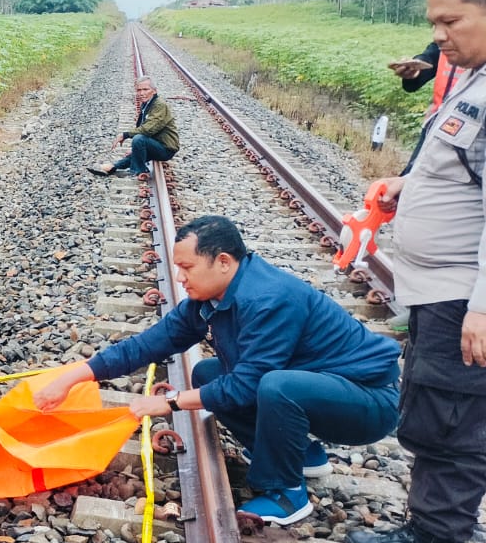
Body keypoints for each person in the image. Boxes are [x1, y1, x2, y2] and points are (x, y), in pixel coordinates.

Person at [35, 216, 400, 526]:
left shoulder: (267, 299)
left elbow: (249, 385)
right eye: (178, 268)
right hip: (321, 392)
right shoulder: (208, 299)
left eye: (187, 267)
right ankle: (304, 456)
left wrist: (170, 403)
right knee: (209, 373)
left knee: (274, 385)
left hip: (368, 402)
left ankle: (287, 494)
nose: (180, 277)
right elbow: (146, 345)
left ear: (223, 262)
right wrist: (72, 377)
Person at [350, 0, 486, 543]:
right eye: (434, 22)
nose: (439, 37)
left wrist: (482, 309)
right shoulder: (472, 78)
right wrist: (408, 183)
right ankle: (422, 531)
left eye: (450, 21)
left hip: (464, 294)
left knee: (455, 426)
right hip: (437, 289)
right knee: (430, 413)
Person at [89, 76, 180, 177]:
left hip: (166, 148)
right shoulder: (146, 104)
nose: (142, 93)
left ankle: (138, 171)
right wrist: (136, 148)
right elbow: (142, 126)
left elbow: (148, 129)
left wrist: (125, 135)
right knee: (134, 154)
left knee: (138, 139)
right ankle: (112, 167)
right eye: (139, 90)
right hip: (155, 143)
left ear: (154, 91)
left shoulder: (159, 105)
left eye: (145, 89)